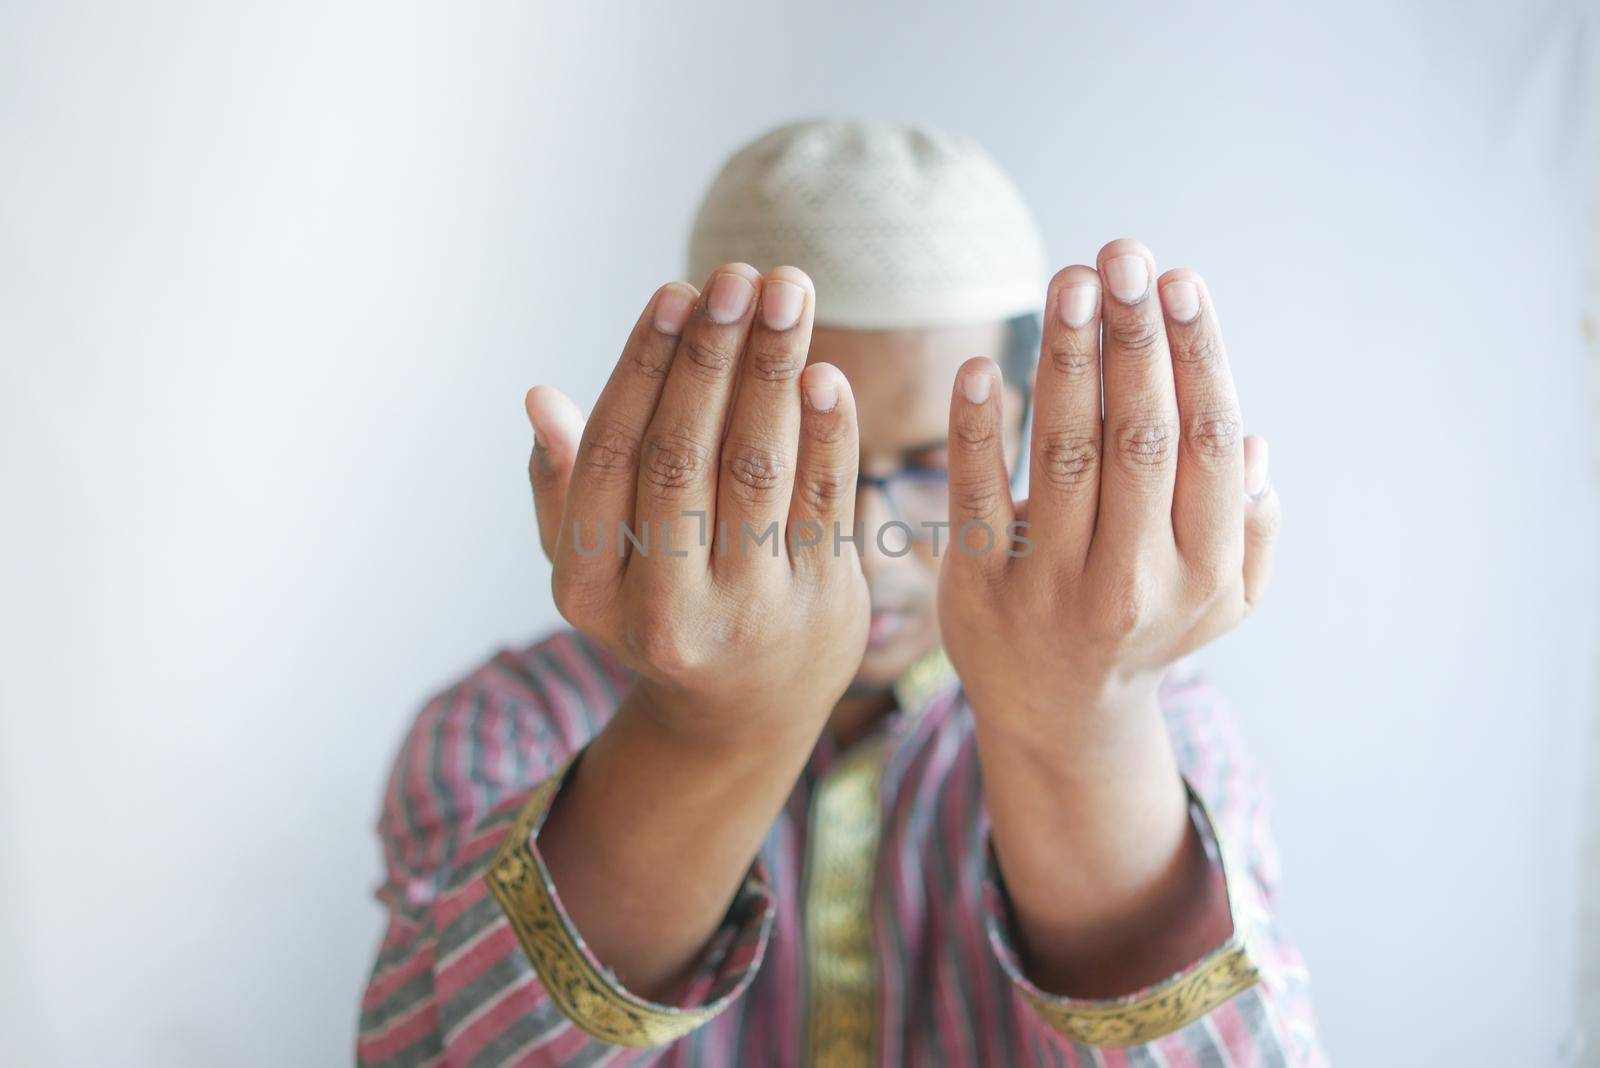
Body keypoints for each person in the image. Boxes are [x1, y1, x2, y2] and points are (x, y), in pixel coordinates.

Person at [357, 118, 1325, 1067]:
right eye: (794, 469)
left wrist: (1084, 721)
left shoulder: (1171, 733)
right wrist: (707, 724)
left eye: (936, 465)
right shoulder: (514, 725)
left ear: (1031, 440)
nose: (870, 537)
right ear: (687, 444)